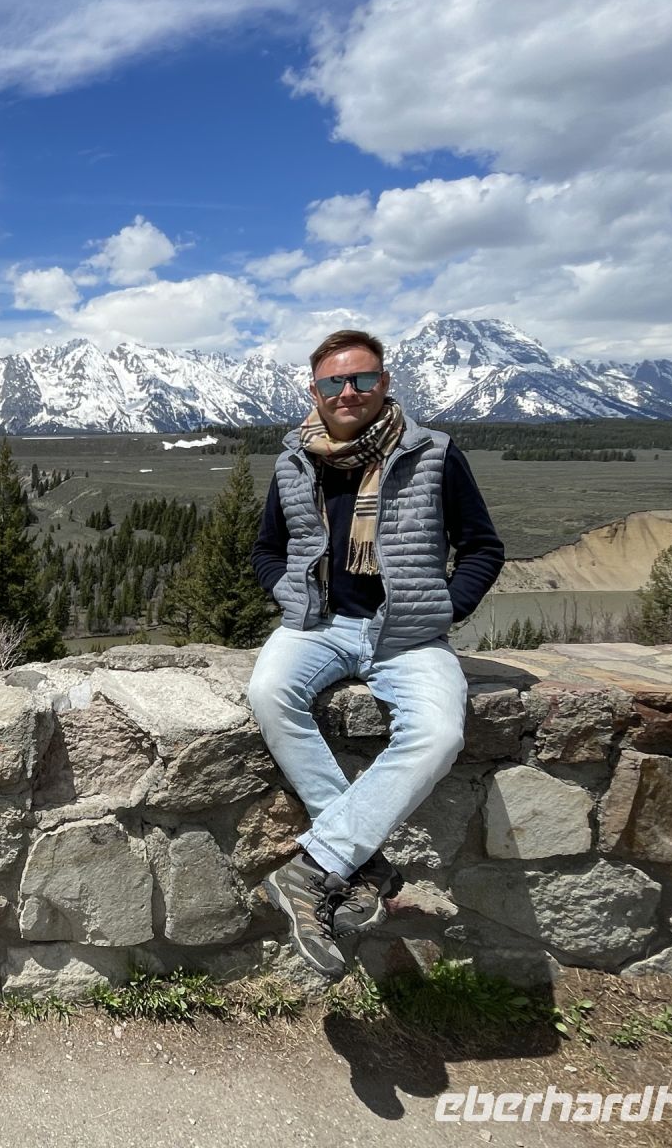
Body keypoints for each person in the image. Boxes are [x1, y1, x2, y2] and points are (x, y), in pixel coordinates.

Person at [247, 329, 504, 979]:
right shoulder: (296, 460)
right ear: (316, 392)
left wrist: (444, 609)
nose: (348, 392)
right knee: (270, 694)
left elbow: (482, 548)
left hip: (408, 631)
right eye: (333, 383)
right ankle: (359, 864)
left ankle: (316, 868)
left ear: (384, 383)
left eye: (360, 379)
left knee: (440, 732)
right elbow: (268, 549)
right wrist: (292, 595)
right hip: (319, 624)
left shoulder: (434, 455)